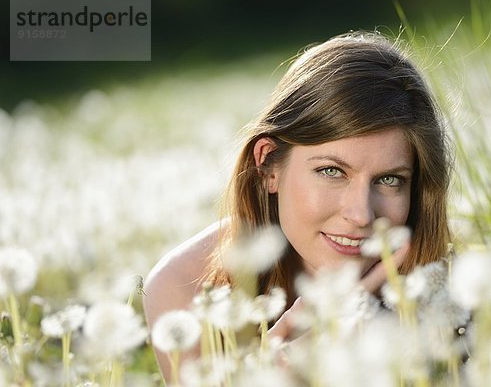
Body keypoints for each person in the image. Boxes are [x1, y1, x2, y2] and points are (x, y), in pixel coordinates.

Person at [142, 31, 452, 383]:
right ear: (269, 165)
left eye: (390, 180)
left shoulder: (448, 292)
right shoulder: (184, 287)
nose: (362, 214)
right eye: (331, 171)